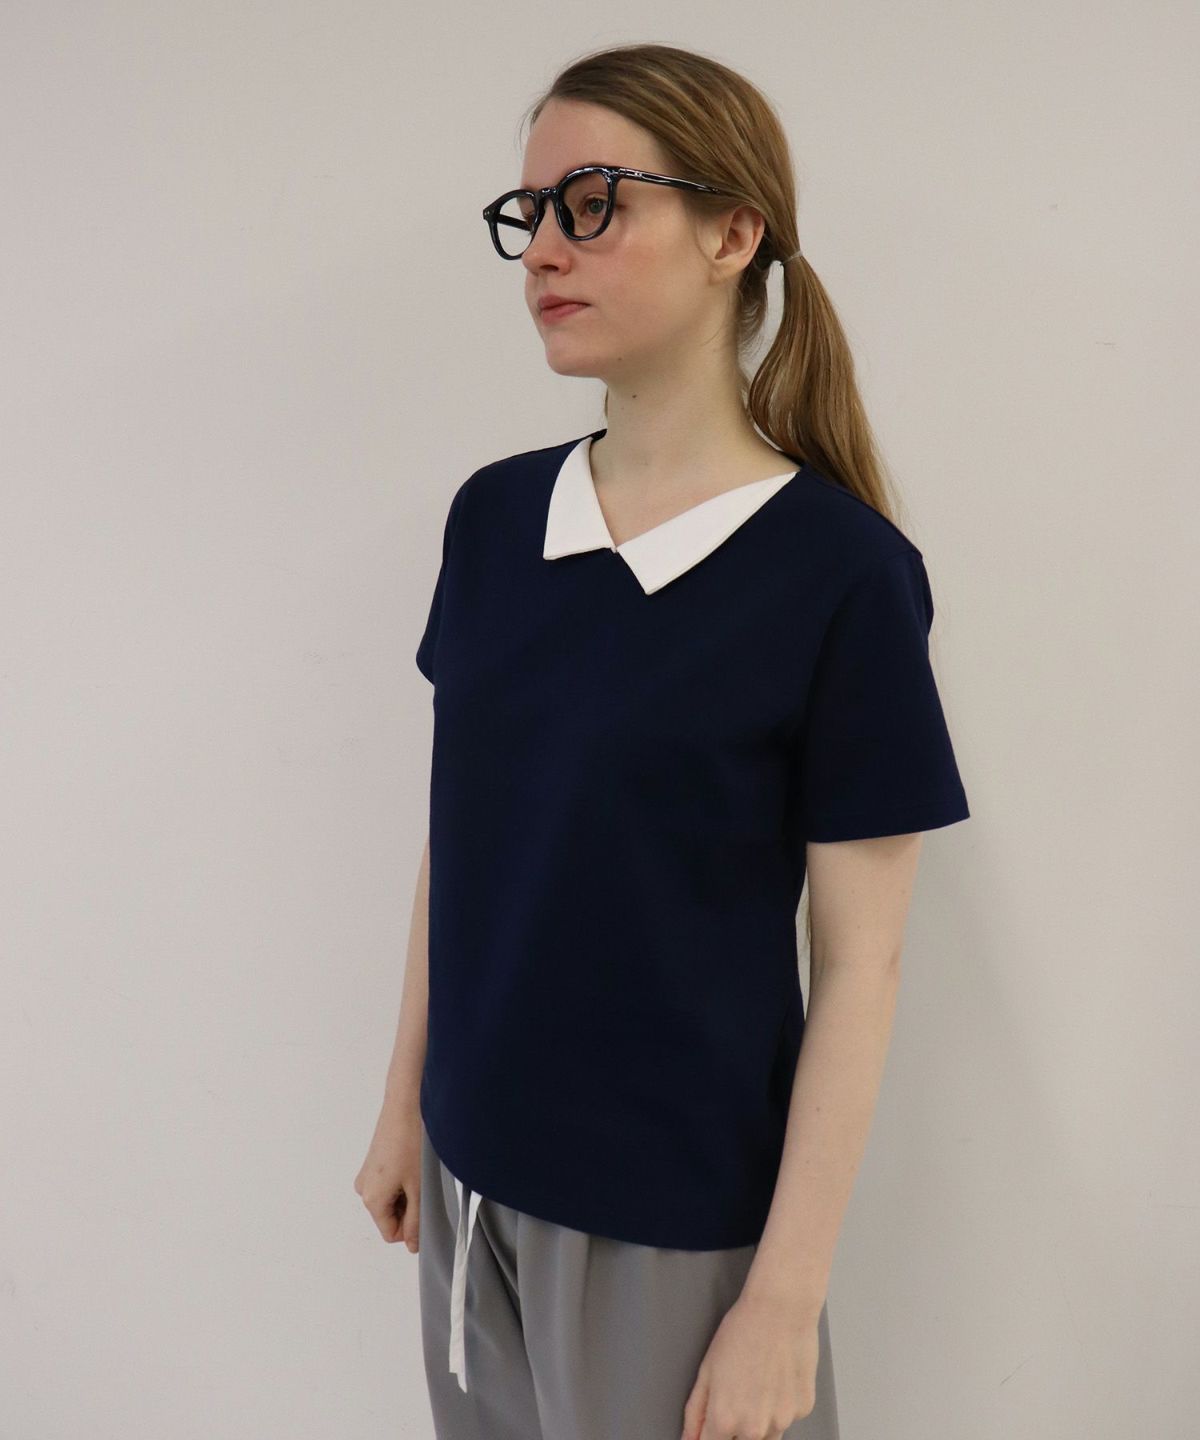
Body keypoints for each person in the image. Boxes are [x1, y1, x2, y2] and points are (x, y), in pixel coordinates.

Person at [355, 41, 971, 1440]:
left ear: (731, 234)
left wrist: (784, 1301)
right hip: (469, 1184)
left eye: (592, 203)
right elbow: (465, 840)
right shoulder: (496, 520)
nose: (543, 251)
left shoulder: (841, 575)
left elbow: (862, 964)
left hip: (669, 1224)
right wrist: (405, 1109)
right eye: (530, 214)